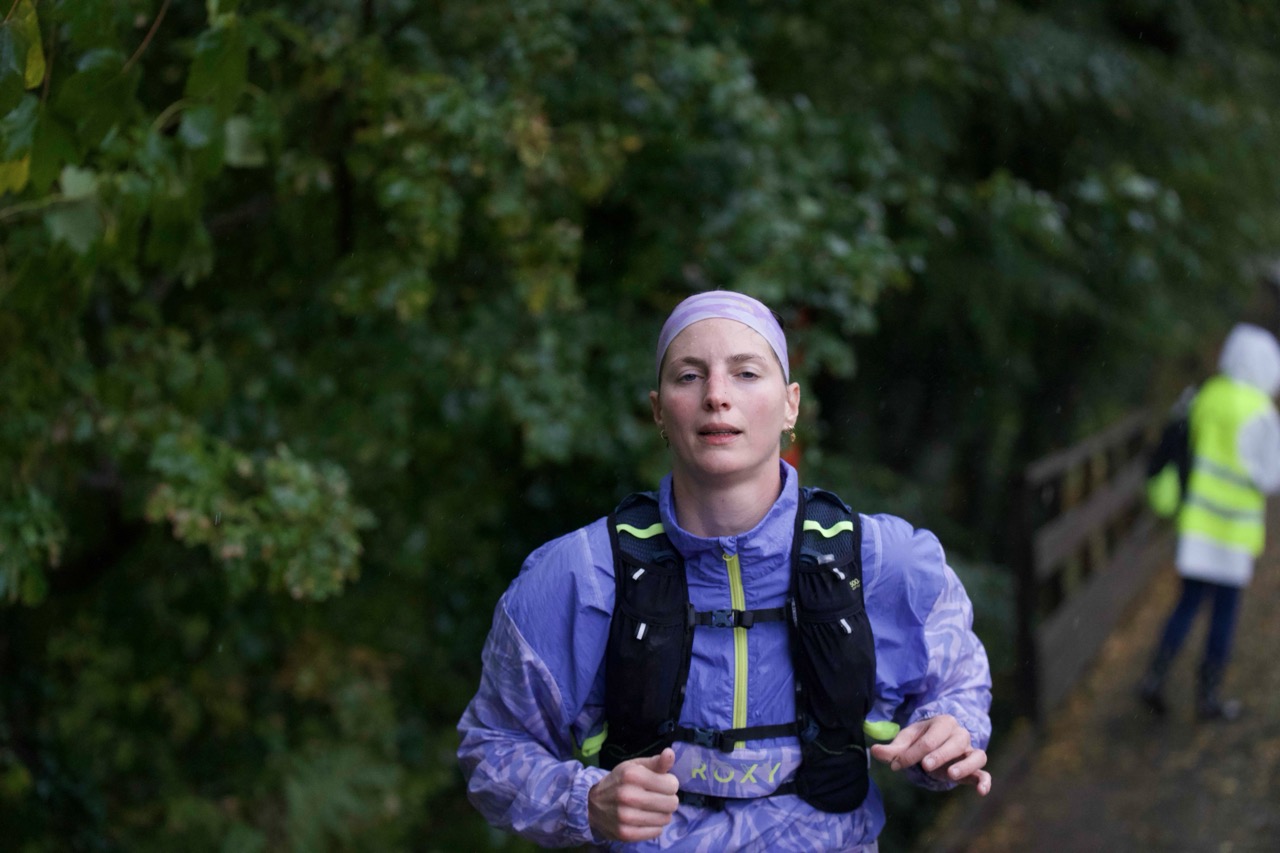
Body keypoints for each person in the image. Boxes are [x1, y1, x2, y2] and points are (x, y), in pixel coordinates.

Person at [457, 290, 992, 850]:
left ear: (791, 405)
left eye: (746, 373)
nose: (717, 396)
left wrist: (948, 733)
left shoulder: (882, 560)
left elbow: (957, 686)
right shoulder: (579, 576)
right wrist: (585, 802)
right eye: (689, 376)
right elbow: (492, 745)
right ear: (658, 410)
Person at [1139, 322, 1280, 721]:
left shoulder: (1207, 395)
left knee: (1187, 603)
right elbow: (1270, 477)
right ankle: (1209, 695)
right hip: (1234, 531)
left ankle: (1155, 676)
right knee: (1223, 613)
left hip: (1198, 524)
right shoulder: (1261, 411)